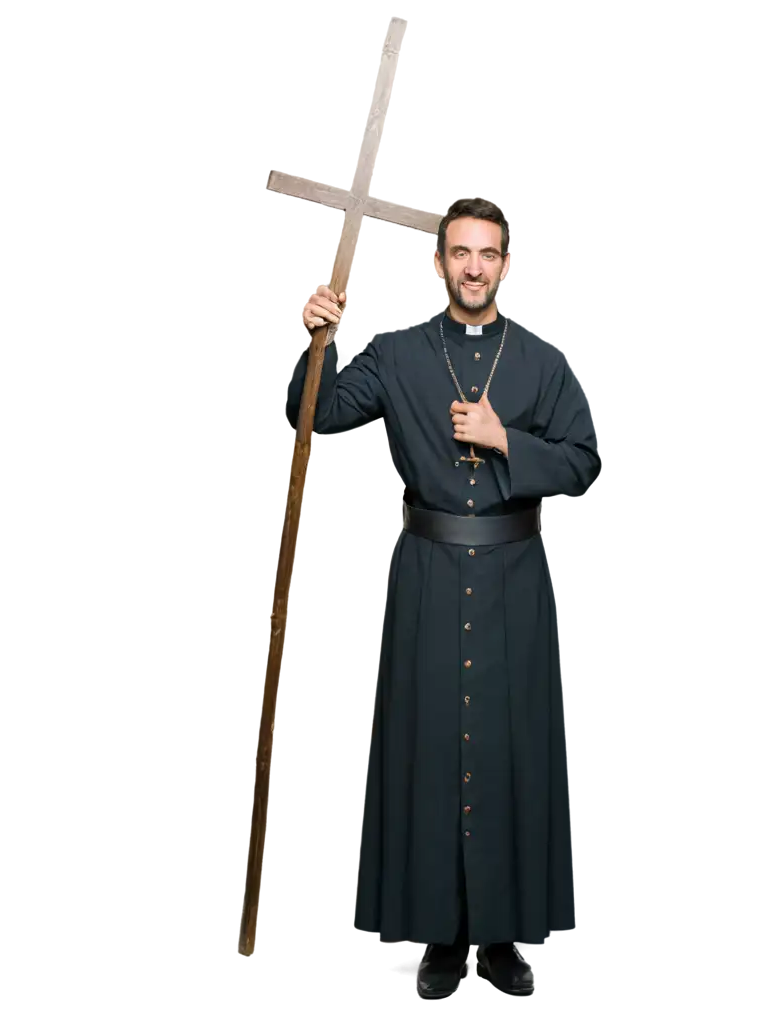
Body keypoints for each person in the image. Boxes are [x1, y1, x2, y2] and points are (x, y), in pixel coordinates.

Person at [284, 197, 601, 999]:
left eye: (487, 253)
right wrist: (311, 340)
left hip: (514, 579)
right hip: (427, 573)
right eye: (459, 252)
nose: (472, 267)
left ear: (506, 265)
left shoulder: (542, 360)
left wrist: (508, 443)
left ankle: (503, 942)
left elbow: (585, 460)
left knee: (508, 755)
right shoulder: (396, 354)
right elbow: (312, 415)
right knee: (432, 752)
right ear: (437, 262)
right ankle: (439, 939)